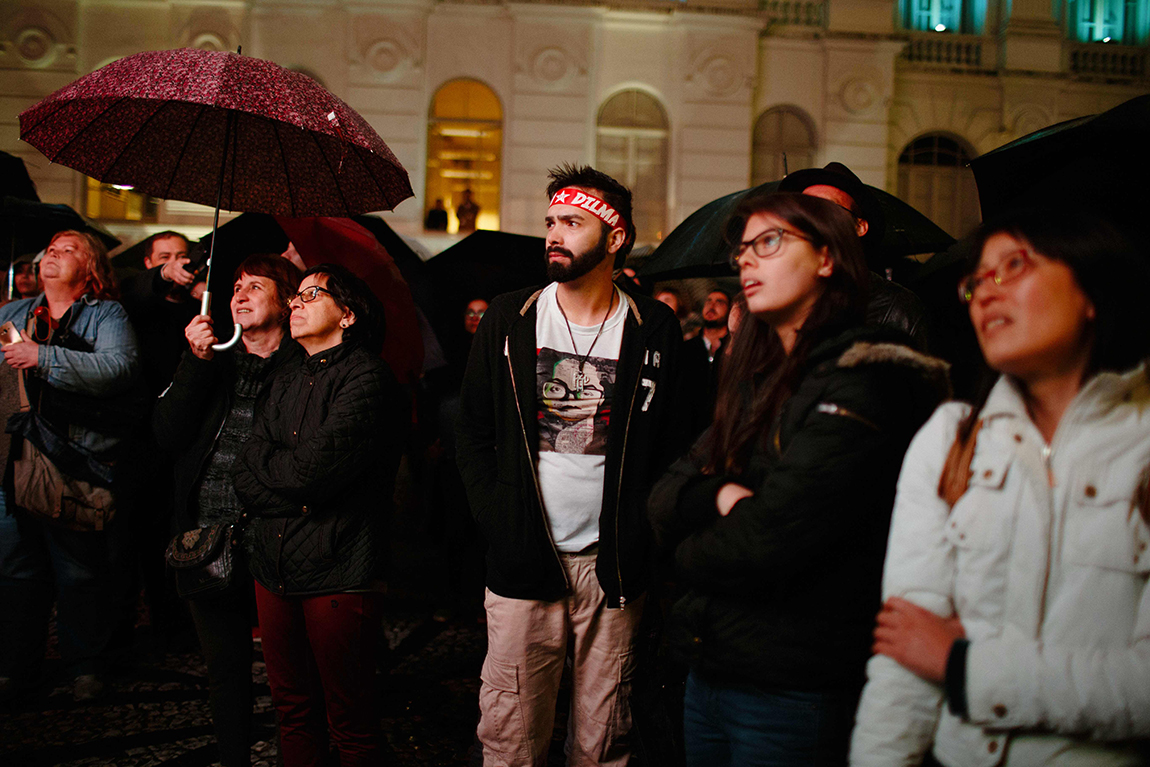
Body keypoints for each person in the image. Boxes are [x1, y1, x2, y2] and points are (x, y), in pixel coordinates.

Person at [646, 192, 948, 767]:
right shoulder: (758, 376)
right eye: (742, 250)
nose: (747, 262)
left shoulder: (865, 373)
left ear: (829, 258)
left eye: (770, 243)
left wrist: (683, 550)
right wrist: (717, 494)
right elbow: (661, 497)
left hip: (790, 684)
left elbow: (768, 542)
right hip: (710, 670)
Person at [850, 209, 1150, 767]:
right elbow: (903, 664)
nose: (986, 294)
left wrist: (964, 665)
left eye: (1013, 266)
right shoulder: (951, 440)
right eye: (975, 282)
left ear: (1093, 291)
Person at [457, 164, 686, 766]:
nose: (554, 234)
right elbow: (473, 432)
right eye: (552, 221)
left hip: (611, 566)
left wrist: (643, 533)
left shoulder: (654, 327)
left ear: (615, 238)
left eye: (573, 222)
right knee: (510, 737)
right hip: (524, 558)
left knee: (604, 739)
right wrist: (501, 522)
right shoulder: (512, 317)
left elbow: (675, 444)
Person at [232, 264, 406, 767]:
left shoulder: (368, 377)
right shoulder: (285, 376)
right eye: (296, 296)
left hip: (339, 565)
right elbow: (245, 470)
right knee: (292, 709)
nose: (296, 303)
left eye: (312, 294)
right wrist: (289, 491)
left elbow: (312, 473)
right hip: (273, 563)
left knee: (349, 720)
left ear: (347, 314)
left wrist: (285, 485)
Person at [152, 254, 303, 767]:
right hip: (206, 539)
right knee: (226, 671)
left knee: (291, 672)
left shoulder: (302, 367)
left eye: (255, 286)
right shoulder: (212, 361)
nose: (239, 294)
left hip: (274, 541)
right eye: (236, 285)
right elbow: (167, 435)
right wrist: (195, 361)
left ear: (285, 302)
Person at [0, 230, 140, 703]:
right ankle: (18, 667)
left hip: (75, 463)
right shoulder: (12, 314)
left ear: (92, 268)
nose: (53, 255)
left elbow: (119, 368)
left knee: (78, 573)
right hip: (14, 464)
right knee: (16, 572)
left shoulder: (106, 314)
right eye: (50, 250)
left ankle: (85, 666)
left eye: (68, 250)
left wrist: (42, 356)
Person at [779, 162, 931, 350]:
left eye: (827, 209)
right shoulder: (777, 300)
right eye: (805, 210)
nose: (813, 219)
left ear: (859, 227)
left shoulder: (897, 310)